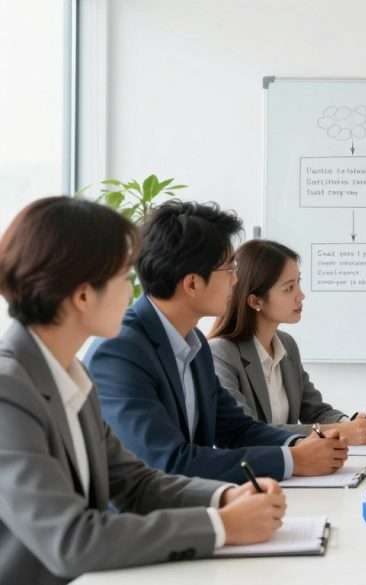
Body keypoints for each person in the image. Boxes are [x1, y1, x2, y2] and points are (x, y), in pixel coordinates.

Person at [0, 197, 286, 584]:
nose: (134, 291)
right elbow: (71, 541)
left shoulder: (70, 374)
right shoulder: (8, 389)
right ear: (83, 295)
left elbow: (135, 482)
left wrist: (223, 498)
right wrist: (220, 526)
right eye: (122, 278)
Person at [86, 200, 348, 484]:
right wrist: (292, 461)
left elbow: (236, 429)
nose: (236, 281)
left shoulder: (193, 342)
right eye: (230, 269)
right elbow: (169, 461)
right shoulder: (119, 351)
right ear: (192, 284)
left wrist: (300, 446)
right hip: (142, 522)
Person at [209, 239, 366, 442]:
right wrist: (339, 431)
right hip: (255, 470)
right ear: (256, 301)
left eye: (298, 282)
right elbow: (248, 431)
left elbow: (314, 410)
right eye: (289, 288)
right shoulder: (221, 353)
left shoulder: (286, 344)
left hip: (299, 469)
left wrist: (349, 423)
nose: (301, 295)